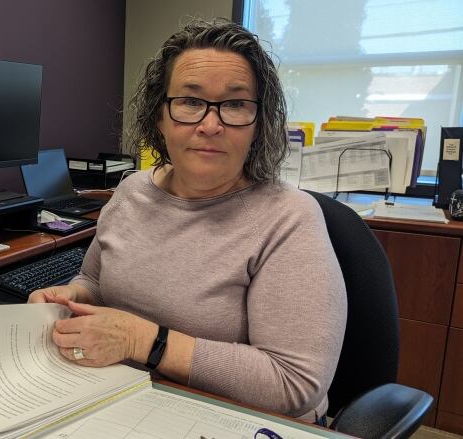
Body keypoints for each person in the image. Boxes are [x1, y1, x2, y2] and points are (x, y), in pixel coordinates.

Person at [28, 18, 347, 424]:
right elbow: (93, 282)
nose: (210, 125)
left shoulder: (288, 219)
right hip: (124, 399)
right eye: (191, 101)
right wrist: (67, 299)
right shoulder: (132, 191)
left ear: (258, 123)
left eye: (234, 104)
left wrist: (142, 340)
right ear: (159, 117)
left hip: (239, 421)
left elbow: (294, 384)